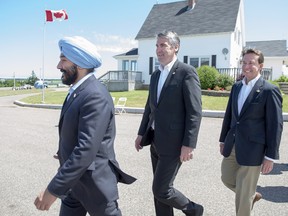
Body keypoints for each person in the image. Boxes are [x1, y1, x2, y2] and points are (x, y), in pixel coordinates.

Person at [34, 36, 136, 216]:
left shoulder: (94, 95)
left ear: (80, 65)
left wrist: (53, 190)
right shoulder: (77, 91)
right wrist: (63, 152)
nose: (58, 66)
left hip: (94, 186)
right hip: (74, 184)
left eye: (63, 60)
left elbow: (86, 149)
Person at [135, 30, 203, 216]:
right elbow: (150, 108)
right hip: (156, 140)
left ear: (175, 47)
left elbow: (194, 112)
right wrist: (142, 133)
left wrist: (189, 144)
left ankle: (194, 210)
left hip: (174, 144)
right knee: (159, 194)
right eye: (157, 45)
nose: (159, 49)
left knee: (161, 189)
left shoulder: (186, 72)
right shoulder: (156, 75)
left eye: (163, 45)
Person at [219, 48, 283, 216]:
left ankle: (248, 197)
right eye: (244, 62)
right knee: (227, 178)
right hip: (233, 143)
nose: (247, 66)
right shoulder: (236, 87)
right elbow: (229, 116)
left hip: (254, 148)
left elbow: (275, 125)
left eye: (251, 63)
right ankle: (251, 196)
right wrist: (223, 139)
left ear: (260, 66)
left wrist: (270, 156)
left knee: (244, 194)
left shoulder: (269, 90)